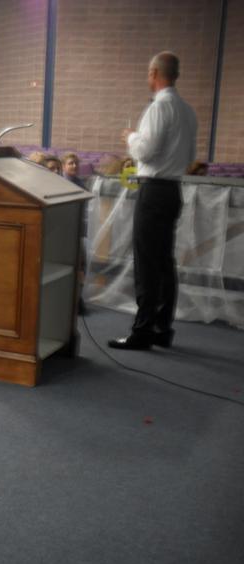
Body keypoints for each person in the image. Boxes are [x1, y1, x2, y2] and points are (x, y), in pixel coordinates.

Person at [109, 51, 197, 350]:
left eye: (149, 73)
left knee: (147, 262)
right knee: (163, 261)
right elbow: (188, 157)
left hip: (154, 189)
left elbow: (145, 152)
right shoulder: (187, 110)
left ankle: (142, 330)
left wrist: (131, 137)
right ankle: (161, 327)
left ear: (155, 73)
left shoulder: (159, 108)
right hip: (172, 189)